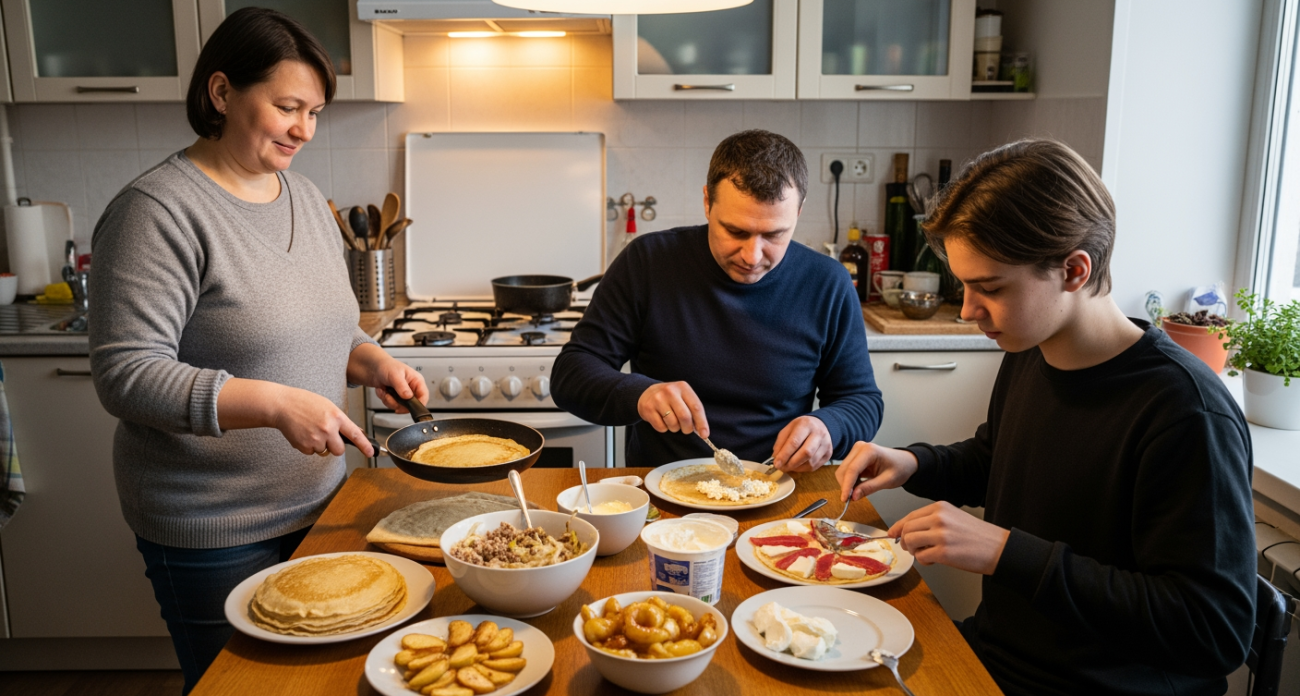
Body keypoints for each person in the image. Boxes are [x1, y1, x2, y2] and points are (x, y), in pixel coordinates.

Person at [836, 139, 1255, 695]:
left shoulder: (1185, 411)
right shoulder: (1032, 351)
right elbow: (997, 458)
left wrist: (1007, 552)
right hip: (998, 660)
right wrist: (913, 462)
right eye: (964, 285)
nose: (967, 310)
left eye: (989, 288)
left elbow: (1214, 630)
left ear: (1074, 270)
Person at [87, 9, 427, 692]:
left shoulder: (302, 196)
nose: (304, 129)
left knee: (327, 683)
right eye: (287, 107)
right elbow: (125, 374)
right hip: (213, 525)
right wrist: (273, 404)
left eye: (315, 112)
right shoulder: (157, 211)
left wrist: (372, 361)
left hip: (320, 505)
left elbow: (331, 330)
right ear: (221, 93)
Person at [552, 130, 882, 471]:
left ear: (798, 212)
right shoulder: (648, 262)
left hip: (779, 489)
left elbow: (861, 401)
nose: (752, 256)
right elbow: (570, 376)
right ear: (707, 202)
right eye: (736, 231)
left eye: (773, 235)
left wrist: (829, 427)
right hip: (662, 493)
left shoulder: (828, 282)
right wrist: (638, 394)